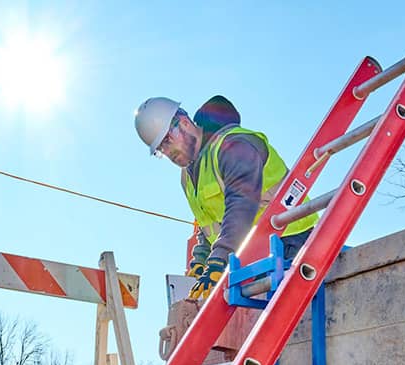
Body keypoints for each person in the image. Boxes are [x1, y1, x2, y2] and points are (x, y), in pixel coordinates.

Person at [134, 95, 319, 299]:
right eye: (160, 150)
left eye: (167, 141)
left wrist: (218, 259)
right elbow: (209, 222)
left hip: (292, 240)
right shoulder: (187, 177)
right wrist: (202, 259)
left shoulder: (234, 145)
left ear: (185, 123)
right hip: (251, 254)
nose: (167, 152)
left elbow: (241, 204)